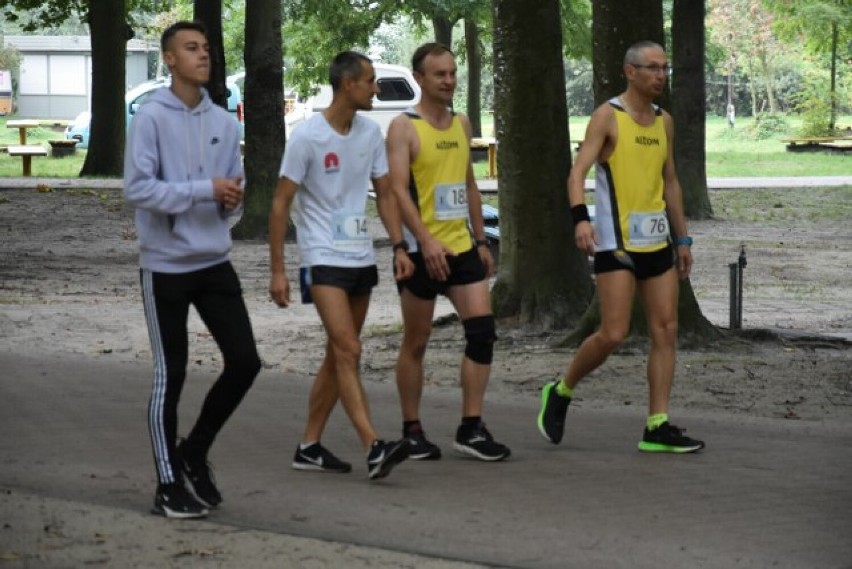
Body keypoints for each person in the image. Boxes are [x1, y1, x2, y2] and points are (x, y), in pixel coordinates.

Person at [537, 40, 705, 454]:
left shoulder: (664, 121)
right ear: (630, 71)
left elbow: (670, 182)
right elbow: (577, 173)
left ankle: (656, 424)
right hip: (616, 244)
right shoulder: (607, 117)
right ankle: (560, 390)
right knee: (613, 333)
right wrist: (581, 220)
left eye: (664, 68)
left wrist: (682, 239)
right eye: (652, 68)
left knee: (666, 329)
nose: (661, 76)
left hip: (657, 242)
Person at [124, 21, 262, 519]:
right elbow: (137, 190)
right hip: (164, 266)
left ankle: (194, 452)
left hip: (214, 261)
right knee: (171, 374)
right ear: (169, 59)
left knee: (246, 362)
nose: (203, 55)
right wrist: (207, 189)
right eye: (191, 48)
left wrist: (229, 200)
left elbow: (230, 195)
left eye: (205, 48)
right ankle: (166, 485)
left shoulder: (225, 124)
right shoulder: (150, 118)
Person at [269, 51, 414, 480]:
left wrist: (399, 247)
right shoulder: (307, 137)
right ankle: (374, 445)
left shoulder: (370, 134)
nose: (375, 89)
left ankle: (309, 445)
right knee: (349, 349)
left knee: (338, 355)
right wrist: (278, 270)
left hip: (359, 255)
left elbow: (385, 194)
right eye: (370, 81)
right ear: (348, 84)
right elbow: (280, 204)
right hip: (322, 255)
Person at [385, 43, 510, 462]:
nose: (449, 80)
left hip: (460, 247)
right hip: (422, 252)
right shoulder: (404, 127)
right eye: (440, 74)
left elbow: (469, 186)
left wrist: (480, 239)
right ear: (419, 78)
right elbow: (398, 191)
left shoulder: (461, 123)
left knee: (482, 332)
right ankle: (412, 429)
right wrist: (423, 240)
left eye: (453, 72)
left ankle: (471, 427)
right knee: (416, 342)